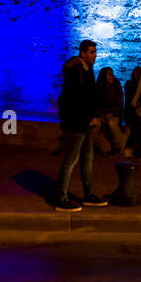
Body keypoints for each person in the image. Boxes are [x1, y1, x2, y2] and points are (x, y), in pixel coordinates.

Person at [54, 40, 108, 212]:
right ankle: (61, 197)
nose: (95, 55)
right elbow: (75, 99)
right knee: (71, 159)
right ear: (83, 53)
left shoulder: (88, 69)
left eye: (95, 52)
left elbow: (89, 96)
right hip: (76, 122)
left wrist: (93, 115)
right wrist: (87, 118)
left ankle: (88, 194)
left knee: (87, 158)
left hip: (86, 122)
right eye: (92, 52)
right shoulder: (75, 70)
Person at [92, 67, 128, 155]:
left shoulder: (117, 86)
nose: (112, 76)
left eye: (112, 74)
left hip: (114, 114)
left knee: (111, 124)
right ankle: (94, 145)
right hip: (102, 114)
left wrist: (111, 114)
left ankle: (116, 145)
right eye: (109, 74)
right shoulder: (98, 87)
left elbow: (120, 104)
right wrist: (100, 114)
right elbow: (95, 104)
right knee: (96, 124)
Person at [122, 67, 141, 158]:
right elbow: (130, 100)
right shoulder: (129, 84)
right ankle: (132, 147)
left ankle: (131, 147)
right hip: (130, 111)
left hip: (138, 111)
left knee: (137, 125)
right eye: (136, 73)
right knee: (135, 124)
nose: (137, 75)